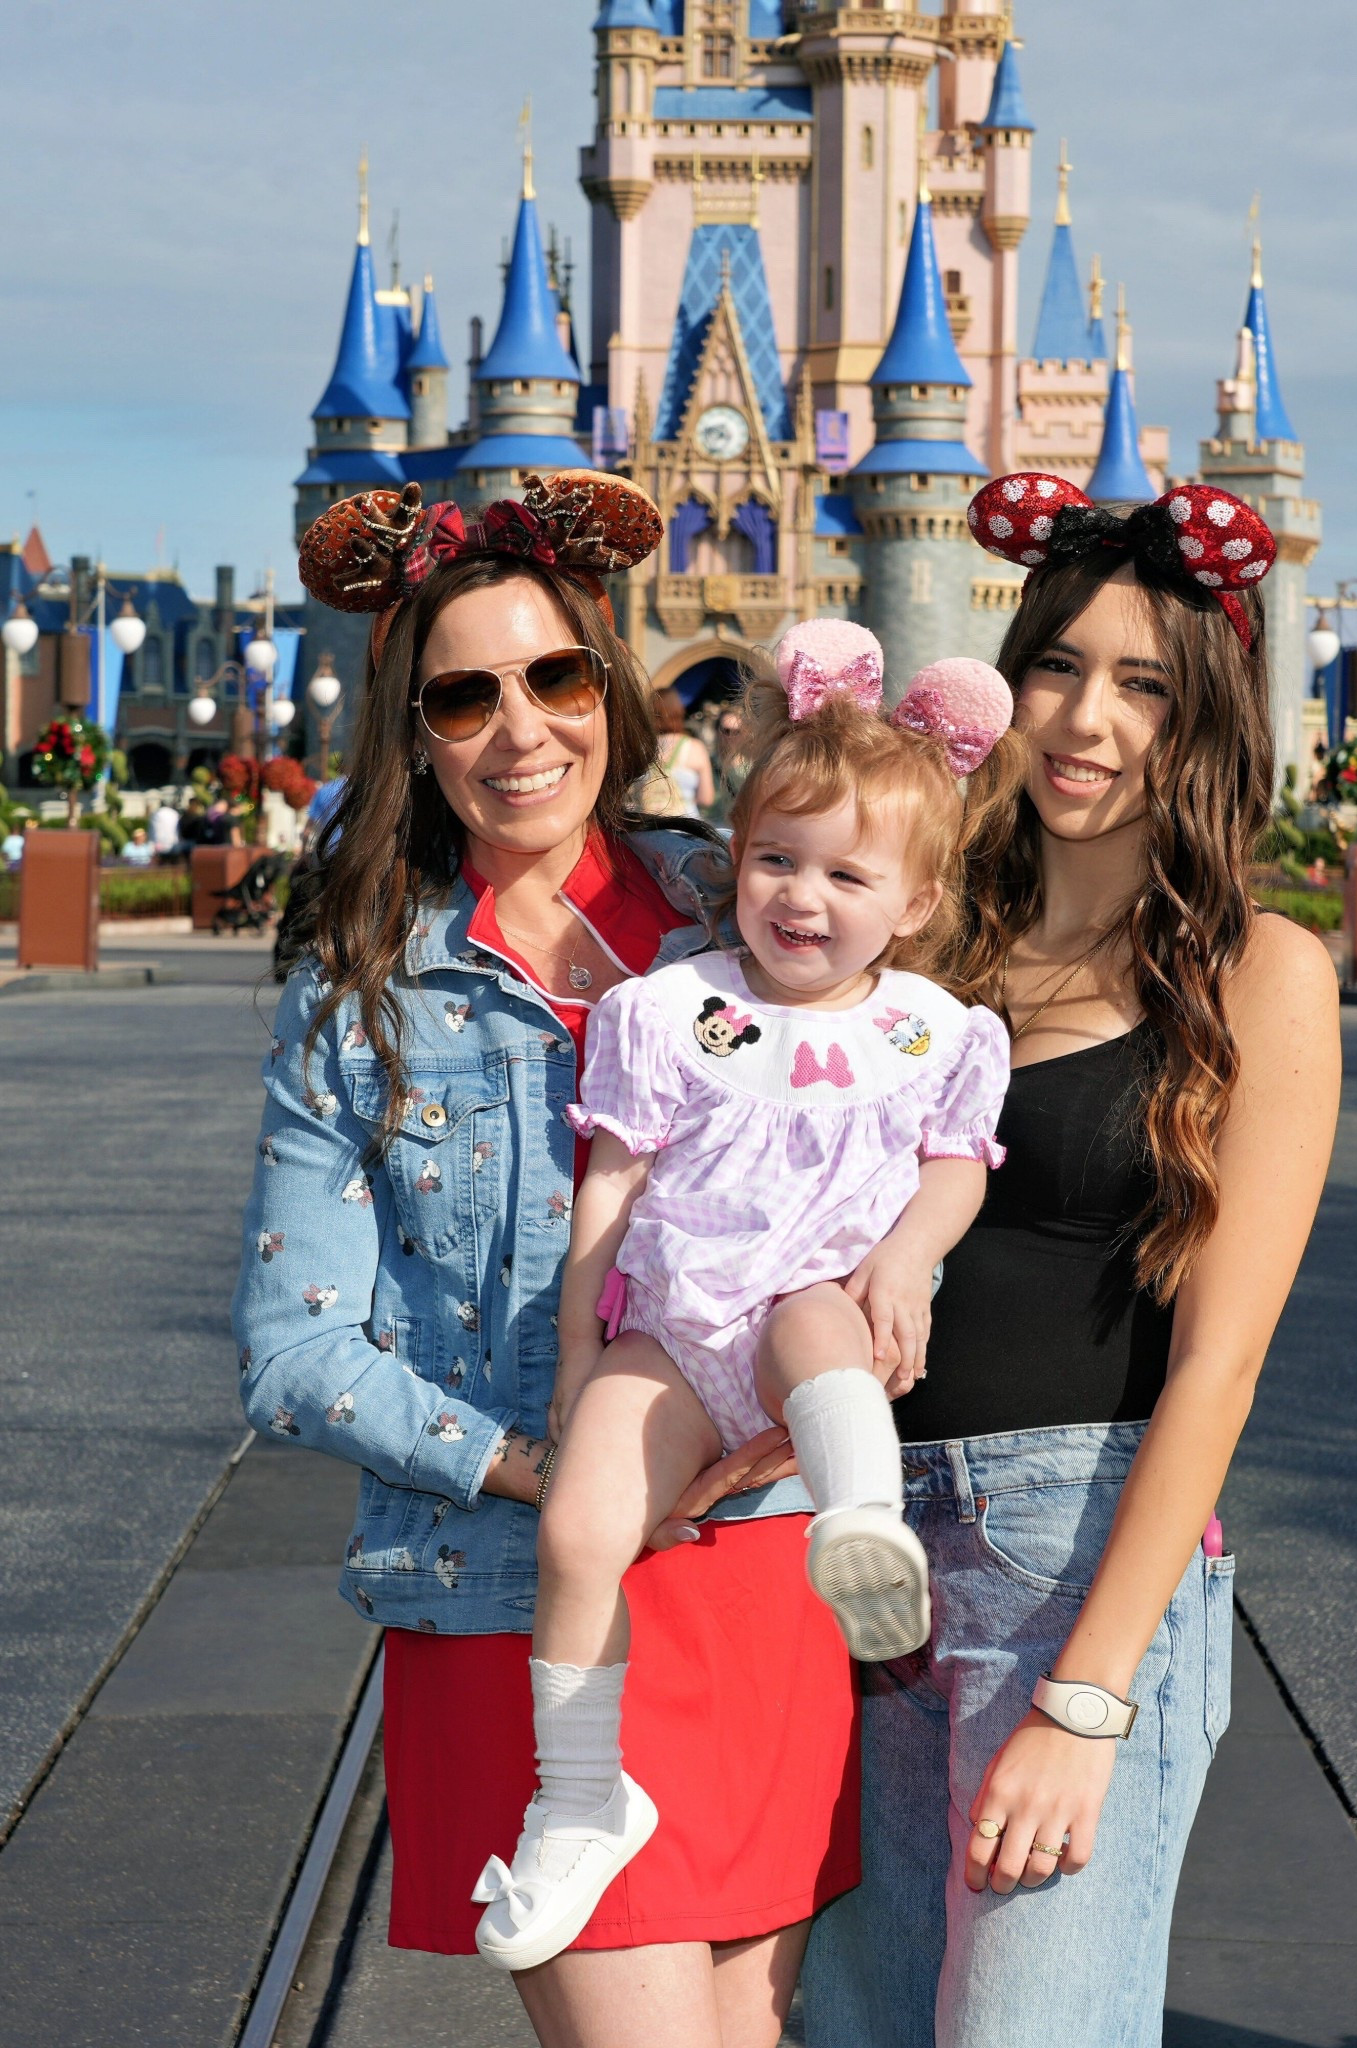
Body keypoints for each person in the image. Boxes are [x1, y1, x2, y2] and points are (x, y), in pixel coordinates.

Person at [232, 473, 860, 2048]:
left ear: (607, 683)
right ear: (413, 731)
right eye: (465, 694)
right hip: (519, 1605)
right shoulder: (363, 987)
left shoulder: (733, 906)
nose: (522, 729)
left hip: (759, 1578)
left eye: (555, 676)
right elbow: (293, 1353)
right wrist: (542, 1469)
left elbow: (908, 1086)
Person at [802, 473, 1342, 2047]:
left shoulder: (1257, 971)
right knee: (850, 2026)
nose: (1084, 719)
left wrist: (1090, 1698)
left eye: (1142, 682)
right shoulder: (923, 939)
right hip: (845, 1546)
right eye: (1055, 666)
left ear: (1205, 721)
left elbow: (1221, 1365)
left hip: (1071, 1560)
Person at [473, 628, 1017, 1972]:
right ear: (736, 851)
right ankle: (580, 1797)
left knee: (818, 1329)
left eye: (846, 874)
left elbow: (956, 1171)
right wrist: (575, 1355)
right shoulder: (672, 1010)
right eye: (776, 858)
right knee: (581, 1523)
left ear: (917, 898)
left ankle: (862, 1529)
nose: (800, 897)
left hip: (796, 1310)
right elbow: (610, 1187)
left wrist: (901, 1260)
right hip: (668, 1332)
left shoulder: (933, 1032)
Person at [640, 687, 715, 818]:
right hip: (685, 826)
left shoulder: (642, 748)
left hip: (649, 827)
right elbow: (706, 798)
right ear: (678, 711)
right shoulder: (695, 748)